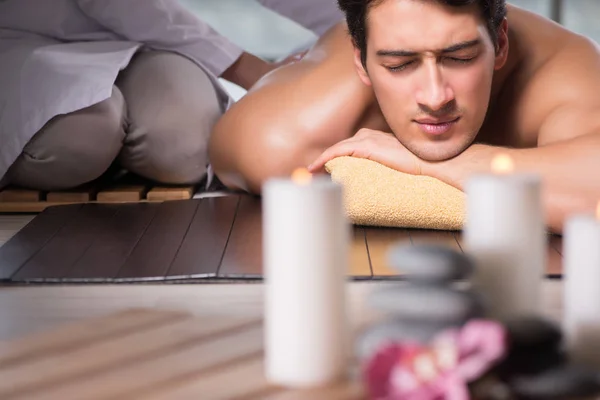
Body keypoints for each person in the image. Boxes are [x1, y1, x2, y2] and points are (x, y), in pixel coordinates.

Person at [208, 0, 600, 233]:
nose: (435, 97)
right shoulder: (307, 122)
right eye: (400, 65)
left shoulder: (562, 71)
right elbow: (234, 150)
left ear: (499, 44)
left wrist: (417, 164)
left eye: (460, 58)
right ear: (361, 61)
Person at [0, 0, 343, 191]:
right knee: (86, 134)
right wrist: (248, 69)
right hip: (22, 39)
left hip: (136, 42)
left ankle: (124, 147)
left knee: (187, 150)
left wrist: (364, 22)